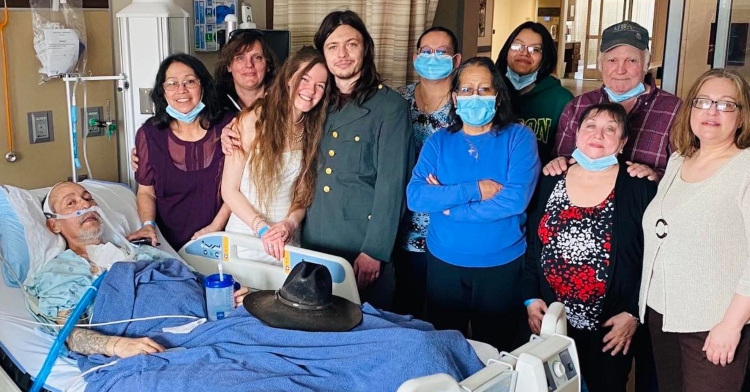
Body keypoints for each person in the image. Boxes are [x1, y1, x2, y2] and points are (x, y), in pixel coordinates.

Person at [26, 182, 251, 359]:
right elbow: (70, 335)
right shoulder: (60, 273)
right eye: (71, 203)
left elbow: (188, 279)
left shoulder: (140, 253)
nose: (84, 205)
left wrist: (226, 297)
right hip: (159, 343)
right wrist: (117, 345)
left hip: (209, 326)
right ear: (54, 224)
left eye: (87, 198)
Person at [406, 57, 540, 351]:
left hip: (501, 266)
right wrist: (475, 189)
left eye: (483, 89)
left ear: (497, 95)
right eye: (466, 90)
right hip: (444, 264)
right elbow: (416, 196)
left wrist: (449, 205)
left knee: (497, 351)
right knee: (446, 350)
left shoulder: (519, 137)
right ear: (454, 98)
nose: (474, 96)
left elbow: (514, 201)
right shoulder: (439, 141)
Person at [523, 103, 656, 392]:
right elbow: (534, 244)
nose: (599, 134)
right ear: (577, 134)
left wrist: (633, 312)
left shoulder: (639, 187)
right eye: (591, 126)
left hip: (611, 326)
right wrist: (531, 298)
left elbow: (655, 259)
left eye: (611, 129)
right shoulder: (550, 178)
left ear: (622, 143)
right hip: (551, 318)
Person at [639, 68, 750, 391]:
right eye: (703, 102)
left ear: (741, 117)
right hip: (663, 313)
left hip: (714, 322)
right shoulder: (678, 160)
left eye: (726, 104)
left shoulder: (744, 168)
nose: (712, 111)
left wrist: (731, 325)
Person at [221, 47, 330, 259]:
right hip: (246, 239)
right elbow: (229, 190)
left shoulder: (314, 129)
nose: (310, 90)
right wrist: (262, 229)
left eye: (320, 85)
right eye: (304, 79)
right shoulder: (253, 120)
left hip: (286, 240)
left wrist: (289, 224)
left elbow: (302, 195)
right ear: (289, 78)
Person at [544, 21, 681, 180]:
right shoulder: (578, 106)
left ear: (646, 64)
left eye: (631, 61)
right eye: (612, 60)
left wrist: (656, 178)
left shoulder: (674, 110)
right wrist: (557, 164)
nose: (620, 70)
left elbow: (685, 175)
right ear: (601, 65)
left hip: (647, 203)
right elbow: (561, 159)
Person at [127, 54, 233, 251]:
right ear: (162, 92)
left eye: (190, 81)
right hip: (169, 245)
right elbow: (146, 192)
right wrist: (148, 226)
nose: (181, 90)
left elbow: (240, 187)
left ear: (203, 86)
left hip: (224, 239)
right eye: (172, 83)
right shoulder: (150, 134)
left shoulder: (229, 125)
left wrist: (216, 227)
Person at [394, 26, 461, 319]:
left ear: (456, 60)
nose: (433, 57)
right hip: (400, 225)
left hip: (446, 228)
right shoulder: (398, 100)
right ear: (414, 57)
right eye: (426, 51)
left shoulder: (466, 105)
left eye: (441, 52)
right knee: (402, 311)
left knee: (443, 316)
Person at [495, 22, 573, 164]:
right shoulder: (490, 92)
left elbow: (565, 154)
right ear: (506, 51)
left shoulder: (561, 99)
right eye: (517, 46)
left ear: (545, 57)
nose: (524, 53)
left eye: (535, 49)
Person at [215, 28, 277, 113]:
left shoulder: (283, 102)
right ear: (229, 66)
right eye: (240, 58)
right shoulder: (215, 107)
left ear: (268, 65)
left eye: (257, 58)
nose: (249, 64)